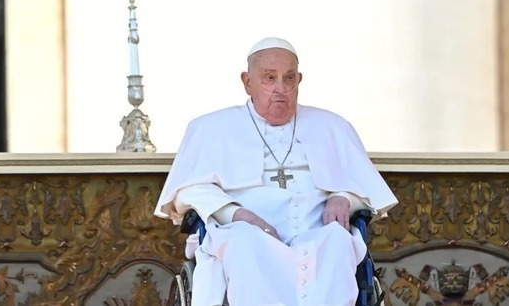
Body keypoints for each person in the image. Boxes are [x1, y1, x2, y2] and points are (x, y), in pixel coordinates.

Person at [155, 37, 398, 306]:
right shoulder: (209, 128)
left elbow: (365, 187)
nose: (280, 89)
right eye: (269, 78)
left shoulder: (333, 126)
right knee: (243, 243)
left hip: (317, 231)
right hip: (244, 230)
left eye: (289, 78)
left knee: (338, 241)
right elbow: (187, 190)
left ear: (299, 80)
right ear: (247, 82)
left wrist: (344, 197)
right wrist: (236, 213)